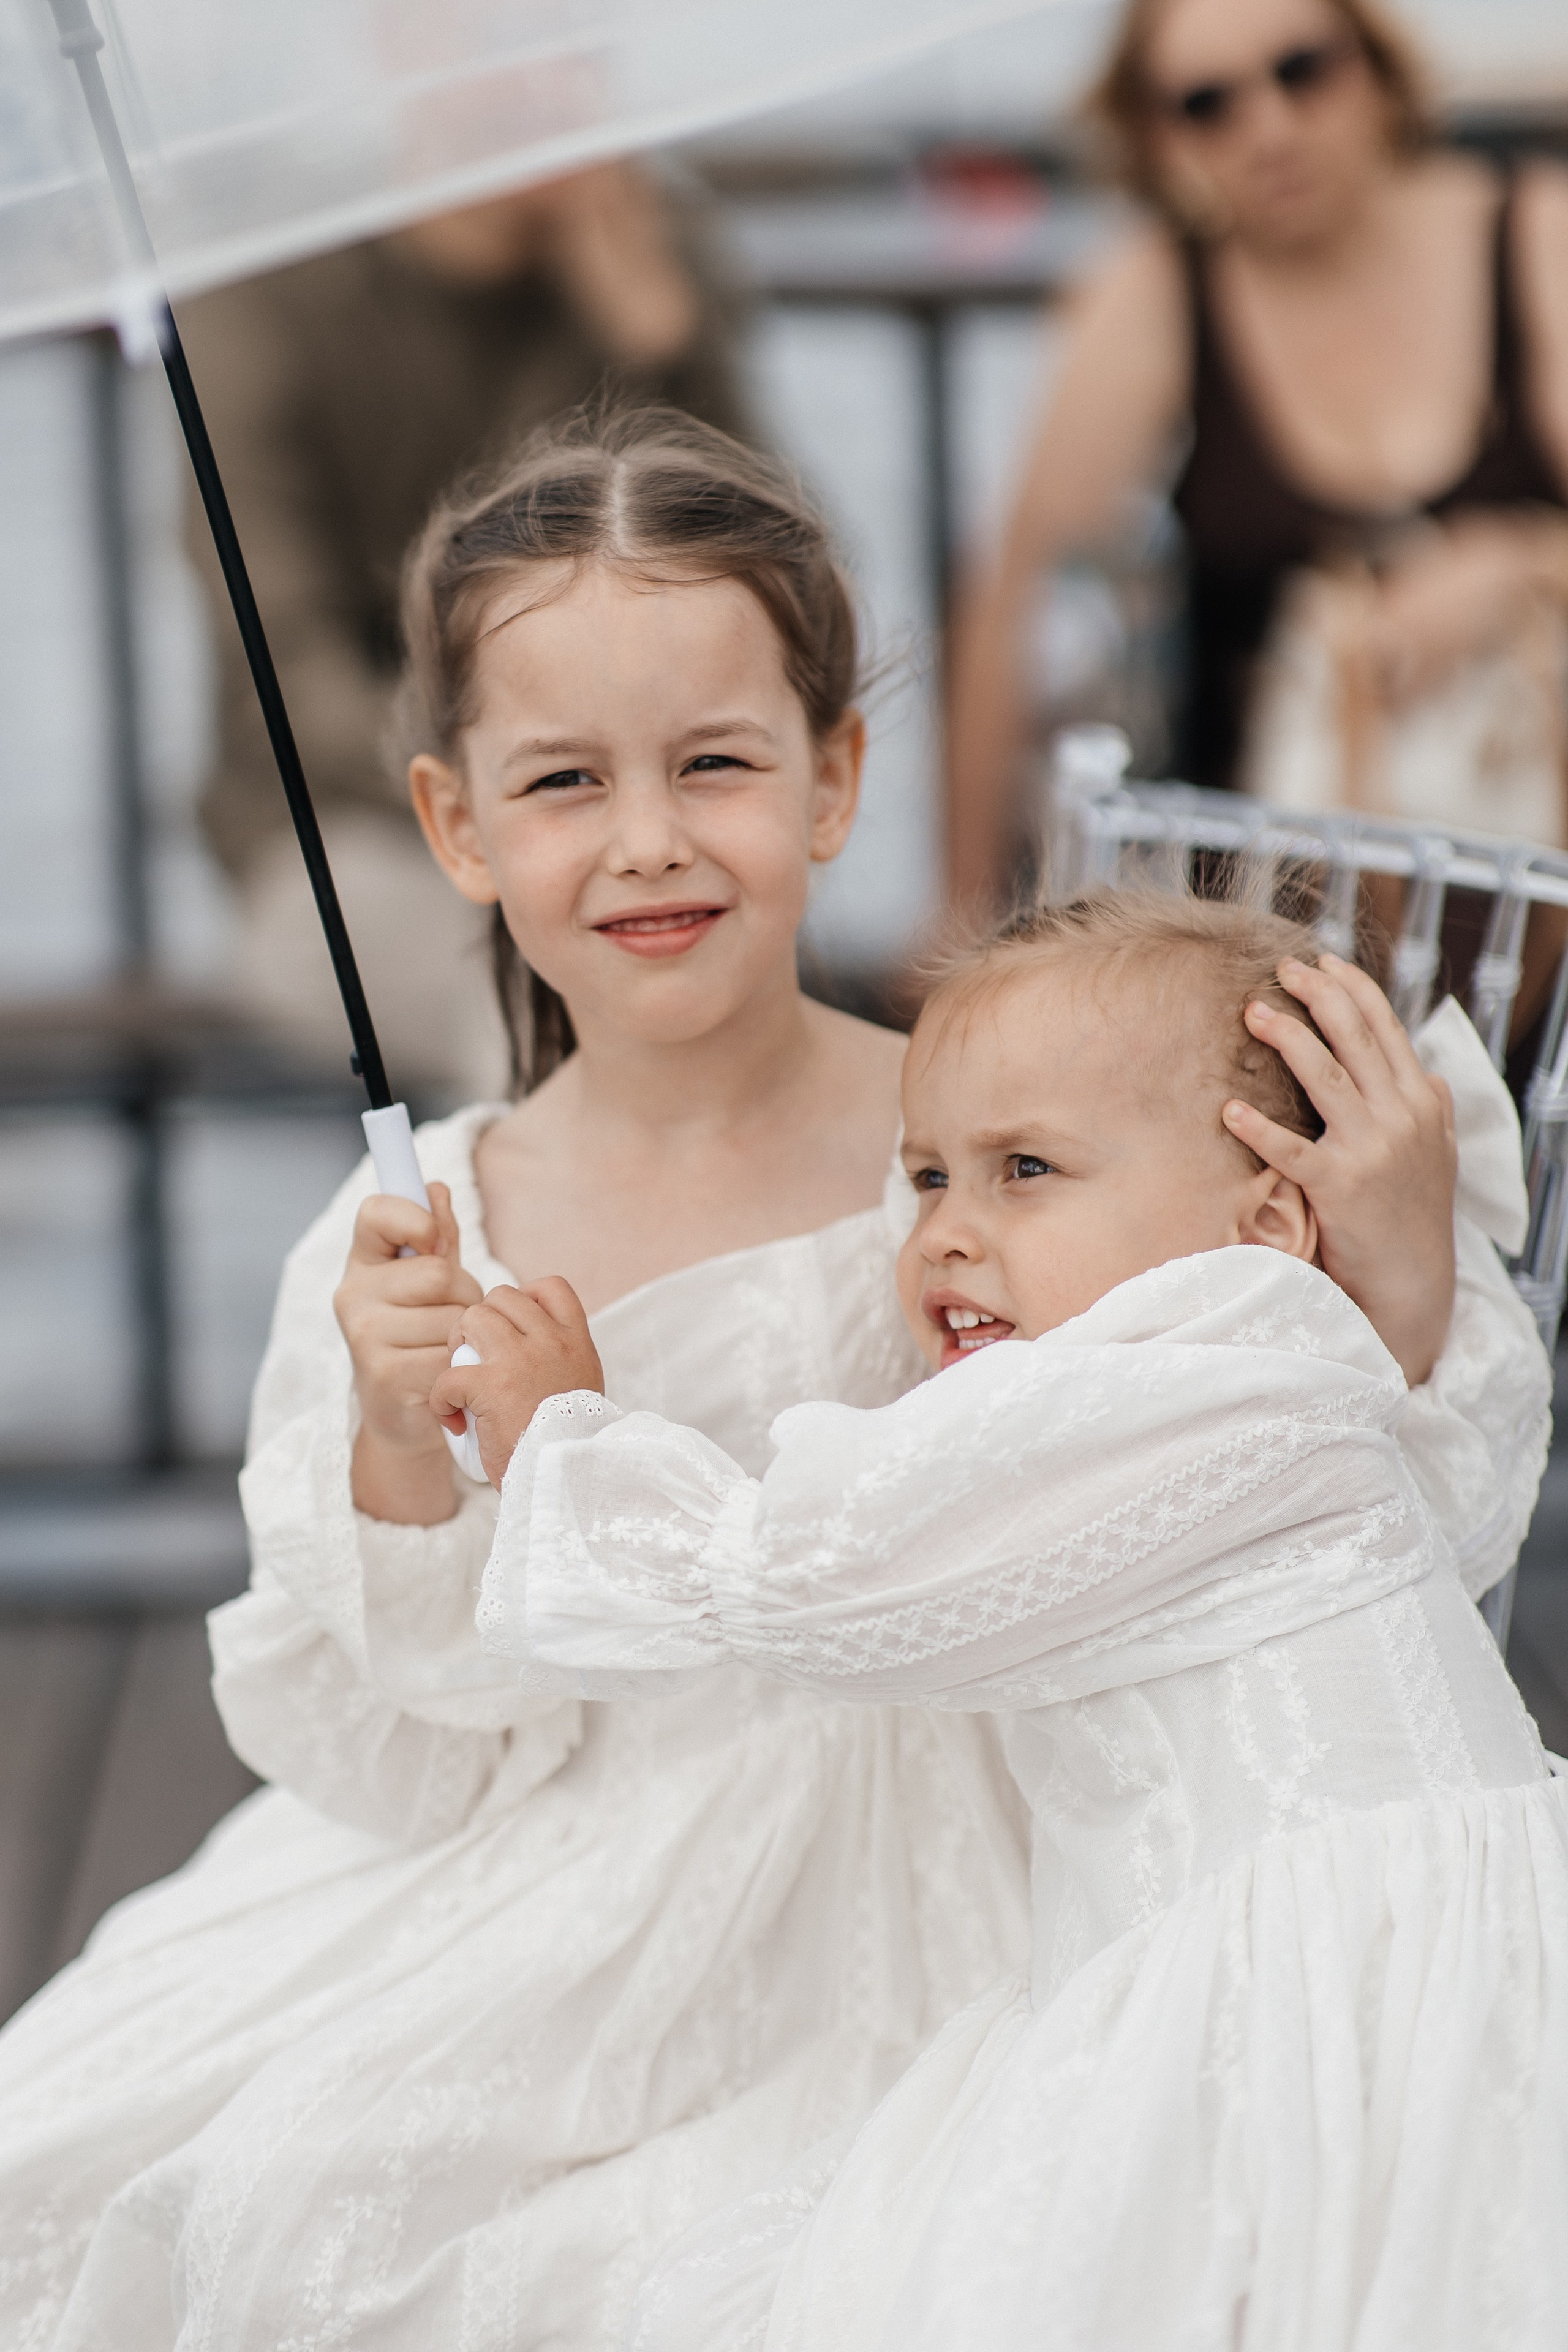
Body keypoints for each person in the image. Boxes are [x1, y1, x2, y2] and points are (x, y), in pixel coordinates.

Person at [0, 409, 1529, 2351]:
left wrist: (1400, 1281)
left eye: (714, 762)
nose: (648, 837)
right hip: (588, 1885)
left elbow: (1337, 1504)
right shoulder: (429, 1233)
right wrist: (396, 1441)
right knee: (229, 2193)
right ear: (459, 827)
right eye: (565, 780)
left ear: (834, 780)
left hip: (997, 1854)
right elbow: (412, 1757)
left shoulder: (1029, 1149)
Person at [471, 892, 1561, 2352]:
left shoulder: (1168, 1387)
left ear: (1260, 1224)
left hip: (1317, 1977)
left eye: (1023, 1169)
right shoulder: (1298, 1374)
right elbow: (1455, 1488)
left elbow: (826, 1577)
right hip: (1369, 1955)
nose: (942, 1234)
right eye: (924, 1178)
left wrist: (562, 1443)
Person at [946, 0, 1568, 910]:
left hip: (1541, 886)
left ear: (1377, 69)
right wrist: (960, 911)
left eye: (1302, 70)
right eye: (1207, 104)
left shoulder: (1536, 233)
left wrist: (1516, 565)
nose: (1268, 128)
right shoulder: (1153, 292)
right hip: (1273, 904)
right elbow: (1018, 598)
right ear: (1156, 139)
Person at [181, 164, 750, 1098]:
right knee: (531, 997)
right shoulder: (267, 293)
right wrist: (514, 773)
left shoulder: (646, 249)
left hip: (621, 804)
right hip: (342, 834)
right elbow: (286, 669)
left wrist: (671, 355)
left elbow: (773, 601)